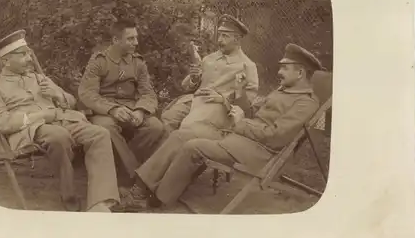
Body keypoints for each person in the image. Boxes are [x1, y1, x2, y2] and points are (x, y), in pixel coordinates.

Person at [138, 43, 323, 207]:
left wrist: (241, 123)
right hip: (238, 138)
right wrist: (240, 92)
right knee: (183, 134)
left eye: (285, 68)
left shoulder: (305, 103)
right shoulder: (283, 91)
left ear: (300, 73)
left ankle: (158, 199)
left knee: (193, 147)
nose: (279, 72)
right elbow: (252, 113)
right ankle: (144, 184)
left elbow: (275, 137)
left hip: (256, 152)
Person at [125, 14, 260, 205]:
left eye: (225, 36)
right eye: (219, 35)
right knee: (167, 121)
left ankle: (142, 185)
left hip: (219, 110)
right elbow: (187, 86)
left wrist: (224, 98)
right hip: (195, 101)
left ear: (237, 39)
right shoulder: (210, 59)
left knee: (184, 132)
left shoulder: (248, 66)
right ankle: (155, 178)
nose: (219, 40)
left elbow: (248, 104)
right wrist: (195, 77)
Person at [0, 30, 120, 212]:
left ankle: (100, 202)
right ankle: (69, 196)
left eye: (29, 54)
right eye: (23, 55)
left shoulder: (40, 79)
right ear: (5, 60)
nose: (30, 58)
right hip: (31, 130)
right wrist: (39, 117)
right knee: (59, 136)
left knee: (100, 133)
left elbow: (71, 102)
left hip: (63, 120)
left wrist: (58, 94)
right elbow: (0, 123)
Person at [78, 18, 165, 171]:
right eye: (130, 38)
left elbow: (148, 93)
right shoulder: (99, 61)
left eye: (136, 38)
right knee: (106, 128)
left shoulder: (138, 63)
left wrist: (140, 110)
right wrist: (113, 109)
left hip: (131, 109)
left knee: (155, 126)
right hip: (103, 111)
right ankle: (133, 172)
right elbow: (87, 93)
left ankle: (121, 166)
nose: (136, 42)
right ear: (116, 40)